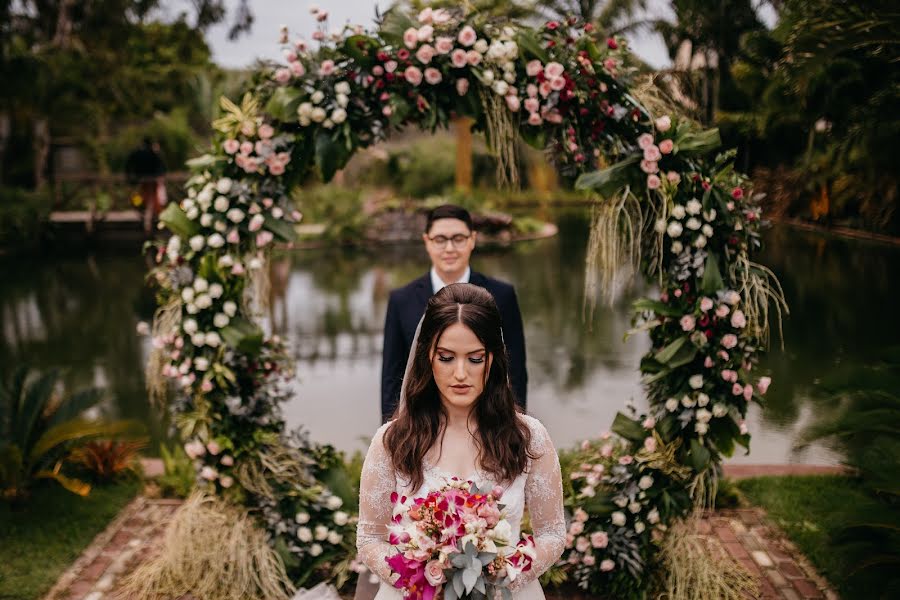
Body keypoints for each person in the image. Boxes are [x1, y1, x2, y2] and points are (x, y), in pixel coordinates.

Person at [357, 283, 565, 600]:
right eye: (447, 357)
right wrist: (426, 583)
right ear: (428, 357)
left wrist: (502, 576)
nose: (460, 374)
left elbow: (551, 533)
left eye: (475, 359)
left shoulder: (528, 436)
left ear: (492, 359)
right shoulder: (393, 440)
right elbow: (370, 537)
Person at [381, 205, 527, 423]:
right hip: (422, 424)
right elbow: (392, 374)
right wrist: (391, 430)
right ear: (427, 242)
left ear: (472, 240)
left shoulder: (501, 295)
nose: (449, 248)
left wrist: (515, 425)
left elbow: (514, 369)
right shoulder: (401, 299)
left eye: (458, 238)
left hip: (488, 421)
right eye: (440, 239)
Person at [125, 137, 166, 233]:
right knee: (149, 200)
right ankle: (149, 217)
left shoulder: (137, 153)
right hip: (150, 180)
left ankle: (145, 216)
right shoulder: (152, 153)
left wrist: (131, 177)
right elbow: (161, 167)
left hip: (141, 180)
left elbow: (128, 164)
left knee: (141, 198)